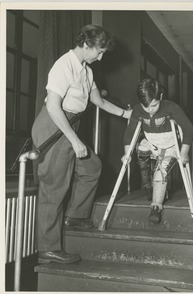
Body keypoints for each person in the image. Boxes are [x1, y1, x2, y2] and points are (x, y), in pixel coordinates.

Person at [32, 24, 132, 264]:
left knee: (92, 167)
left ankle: (75, 216)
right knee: (54, 188)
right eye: (98, 51)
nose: (101, 57)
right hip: (53, 125)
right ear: (86, 45)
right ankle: (48, 249)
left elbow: (98, 101)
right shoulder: (63, 66)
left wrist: (128, 115)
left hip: (69, 124)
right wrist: (75, 140)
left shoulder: (86, 71)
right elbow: (54, 107)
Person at [122, 78, 193, 225]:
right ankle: (147, 184)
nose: (150, 110)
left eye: (154, 105)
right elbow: (129, 134)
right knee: (141, 147)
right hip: (152, 144)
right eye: (146, 106)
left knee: (160, 172)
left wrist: (184, 152)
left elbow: (189, 129)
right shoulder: (137, 110)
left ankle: (156, 207)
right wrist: (126, 154)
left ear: (160, 96)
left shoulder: (171, 107)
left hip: (170, 147)